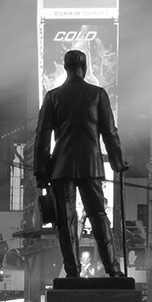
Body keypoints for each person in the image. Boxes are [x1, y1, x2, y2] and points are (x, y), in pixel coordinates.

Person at [33, 48, 127, 278]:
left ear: (65, 68)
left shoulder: (53, 97)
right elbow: (110, 132)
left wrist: (41, 171)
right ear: (85, 68)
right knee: (99, 217)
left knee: (66, 223)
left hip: (61, 168)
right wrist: (116, 162)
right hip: (91, 166)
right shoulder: (98, 94)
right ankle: (113, 270)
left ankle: (72, 273)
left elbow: (42, 136)